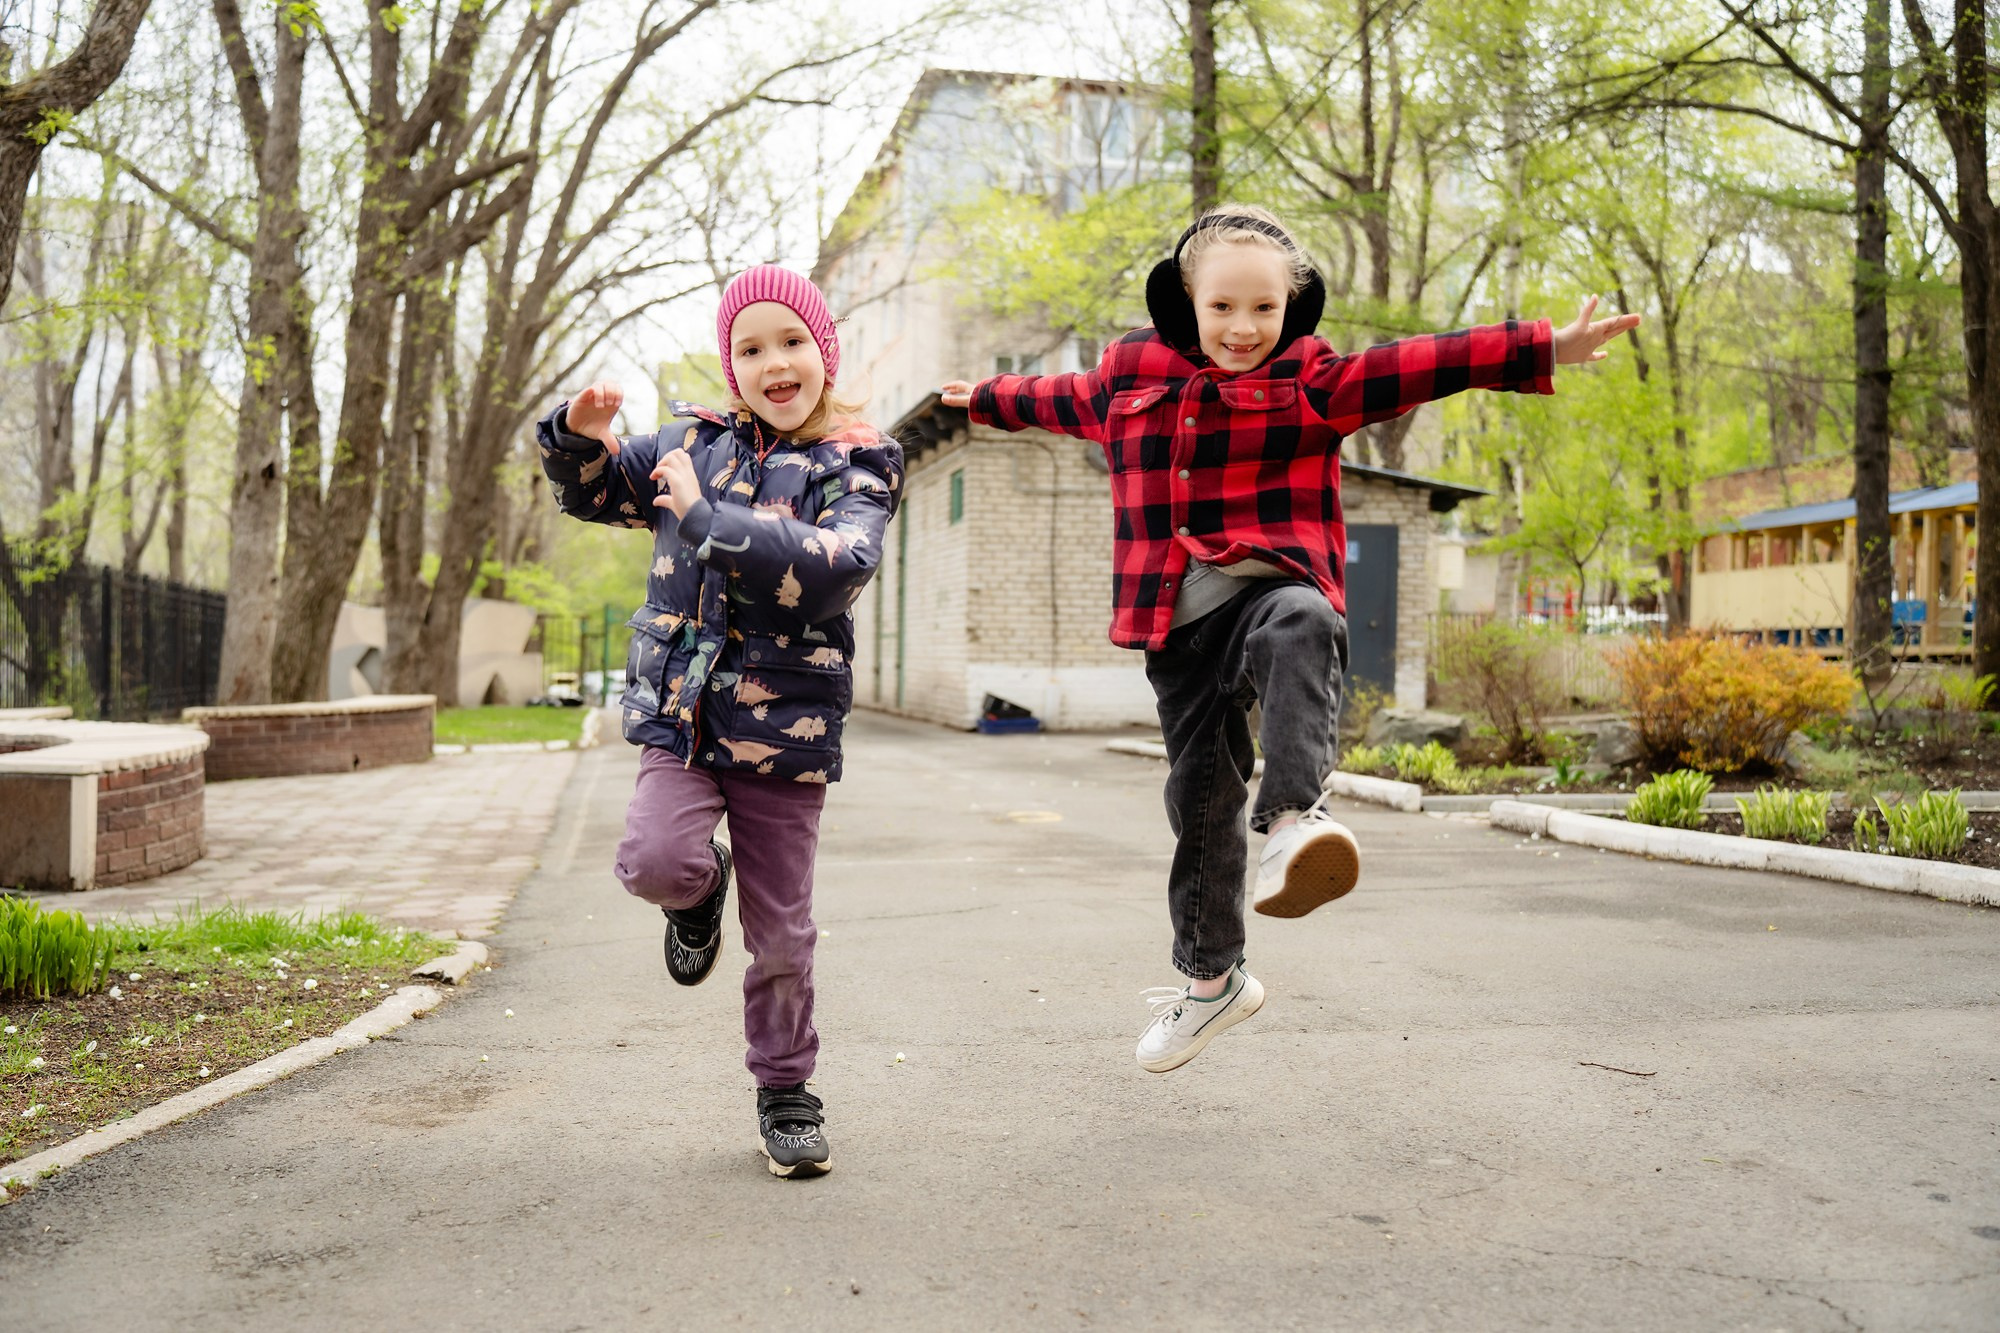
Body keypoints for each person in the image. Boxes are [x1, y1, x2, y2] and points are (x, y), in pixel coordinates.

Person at [940, 206, 1638, 1074]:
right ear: (1187, 301)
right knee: (1199, 804)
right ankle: (1212, 983)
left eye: (1264, 309)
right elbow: (1059, 397)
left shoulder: (1311, 378)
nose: (1244, 328)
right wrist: (985, 398)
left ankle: (1295, 818)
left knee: (1303, 619)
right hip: (1176, 629)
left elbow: (1417, 364)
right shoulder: (1130, 371)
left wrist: (1540, 348)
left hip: (1268, 587)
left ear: (1290, 306)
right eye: (1223, 308)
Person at [539, 264, 902, 1174]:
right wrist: (577, 436)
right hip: (684, 714)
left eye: (792, 342)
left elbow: (838, 565)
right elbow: (594, 492)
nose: (775, 363)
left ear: (824, 350)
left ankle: (786, 1089)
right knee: (654, 861)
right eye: (750, 348)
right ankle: (699, 895)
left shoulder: (858, 460)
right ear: (730, 364)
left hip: (785, 736)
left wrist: (709, 522)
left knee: (780, 936)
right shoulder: (688, 445)